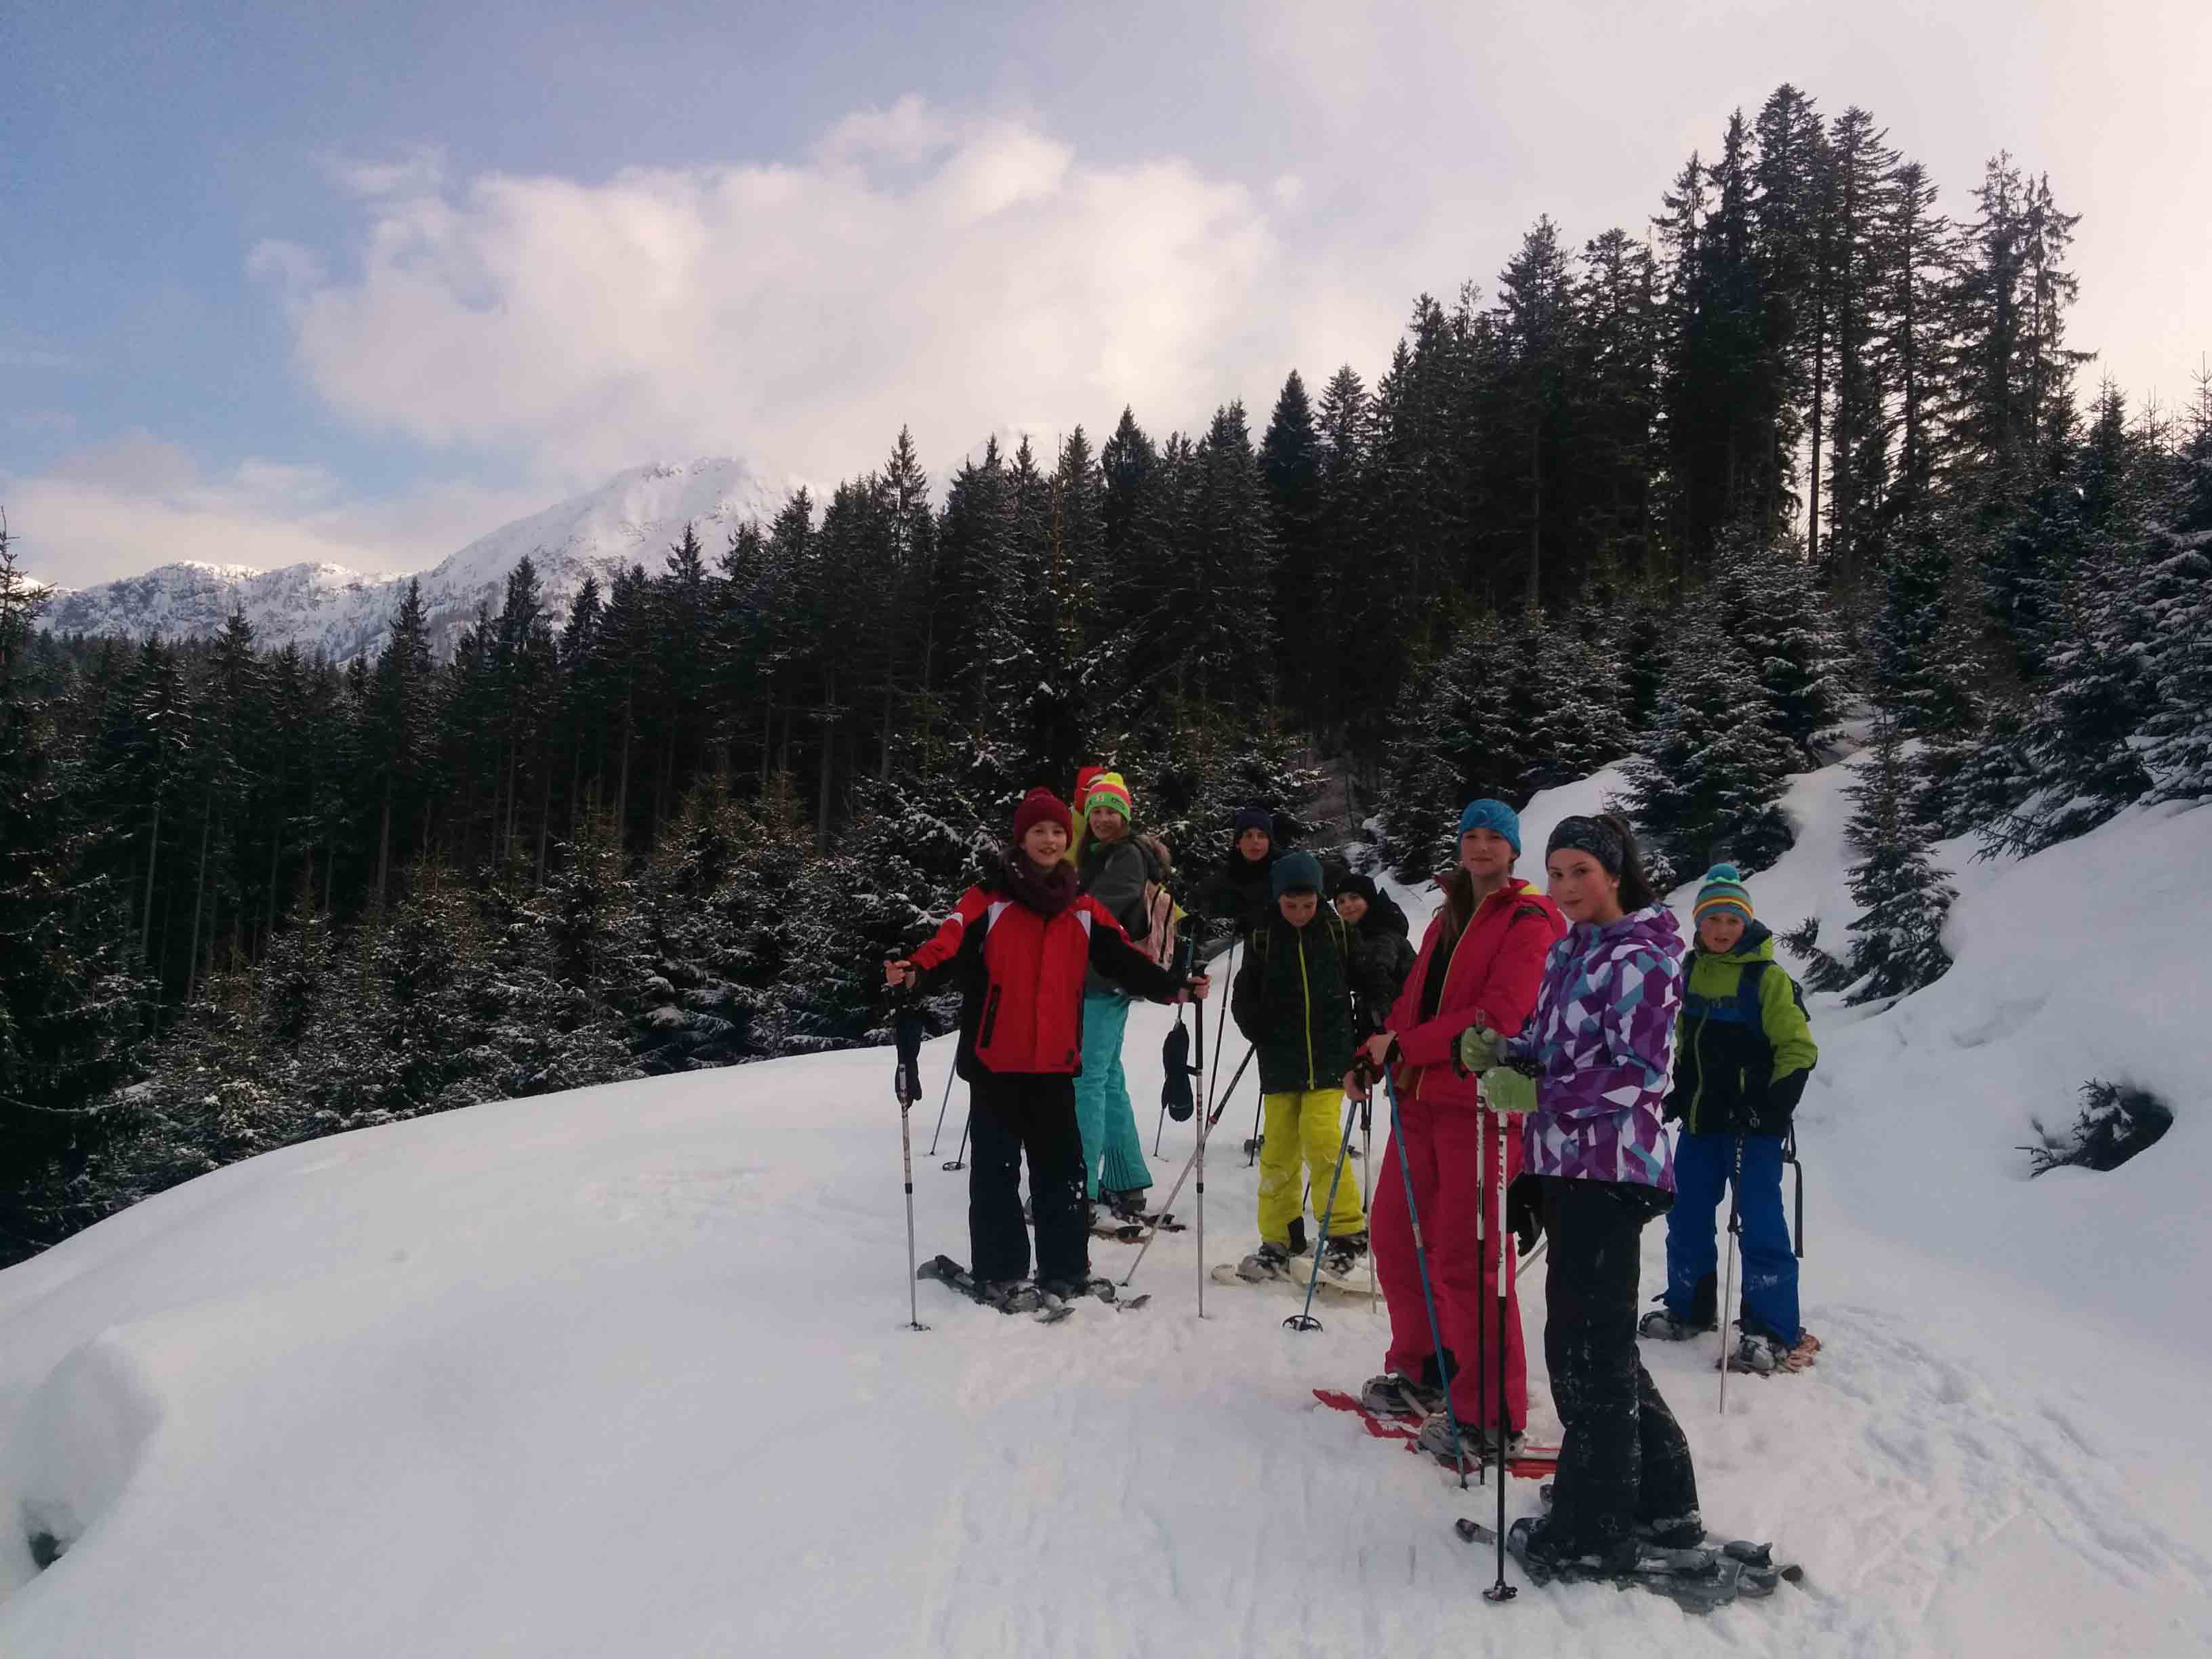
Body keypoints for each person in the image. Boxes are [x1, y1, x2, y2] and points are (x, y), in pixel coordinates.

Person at [1454, 812, 1699, 1572]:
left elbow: (1639, 1075)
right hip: (1565, 1165)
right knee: (1598, 1344)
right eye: (1557, 873)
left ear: (1616, 873)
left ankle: (1595, 1527)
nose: (1565, 888)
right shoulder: (1572, 951)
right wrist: (1506, 1051)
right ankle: (1659, 1497)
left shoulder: (1643, 959)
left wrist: (1536, 1091)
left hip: (1612, 1172)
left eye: (1581, 873)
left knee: (1585, 1350)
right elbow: (1555, 1047)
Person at [886, 787, 1209, 1307]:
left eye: (1059, 831)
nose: (1050, 839)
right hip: (995, 1062)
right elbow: (948, 943)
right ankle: (1000, 1271)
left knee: (1063, 1173)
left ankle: (1067, 1271)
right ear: (1022, 838)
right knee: (997, 1173)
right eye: (1039, 830)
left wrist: (1175, 987)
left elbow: (1125, 960)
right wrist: (915, 970)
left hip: (1056, 1064)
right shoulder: (988, 899)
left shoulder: (1081, 907)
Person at [1349, 801, 1565, 1462]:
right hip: (1421, 1100)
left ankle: (1490, 1413)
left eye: (1494, 837)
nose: (1480, 847)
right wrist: (1375, 1052)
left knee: (1470, 1259)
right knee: (1397, 1239)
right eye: (1471, 834)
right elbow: (1413, 1002)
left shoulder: (1532, 920)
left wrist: (1404, 1046)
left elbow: (1500, 1015)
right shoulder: (1448, 916)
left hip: (1483, 1105)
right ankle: (1427, 1367)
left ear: (1514, 849)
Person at [1641, 865, 1821, 1375]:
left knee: (1759, 1225)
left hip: (1752, 1129)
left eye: (1732, 920)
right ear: (1698, 923)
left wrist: (1770, 1108)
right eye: (1712, 919)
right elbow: (1687, 1042)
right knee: (1687, 1216)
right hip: (1701, 1124)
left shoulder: (1767, 977)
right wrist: (1682, 1091)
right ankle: (1690, 1308)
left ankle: (1772, 1330)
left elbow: (1798, 1049)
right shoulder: (1690, 970)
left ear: (1747, 924)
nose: (1722, 929)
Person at [1229, 849, 1380, 1280]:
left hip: (1331, 1059)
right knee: (1277, 1151)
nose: (1299, 913)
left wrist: (1368, 1036)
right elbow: (1244, 995)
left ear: (1320, 899)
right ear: (1277, 899)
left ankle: (1346, 1232)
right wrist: (1259, 1028)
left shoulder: (1336, 932)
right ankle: (1280, 1239)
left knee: (1322, 1139)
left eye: (1308, 904)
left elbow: (1370, 982)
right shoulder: (1263, 937)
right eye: (1290, 905)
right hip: (1280, 1063)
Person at [1071, 771, 1160, 1218]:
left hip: (1102, 980)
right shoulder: (1098, 854)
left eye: (1112, 812)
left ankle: (1080, 1189)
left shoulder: (1126, 856)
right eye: (1097, 811)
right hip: (1103, 979)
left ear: (1125, 817)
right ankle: (1126, 1182)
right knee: (1106, 1078)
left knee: (1086, 1080)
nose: (1103, 819)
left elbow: (1096, 910)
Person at [1331, 871, 1416, 1038]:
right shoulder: (1365, 933)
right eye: (1341, 901)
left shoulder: (1379, 938)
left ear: (1368, 899)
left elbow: (1379, 991)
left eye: (1354, 898)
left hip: (1392, 1033)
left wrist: (1381, 1035)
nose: (1347, 905)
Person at [1204, 806, 1282, 950]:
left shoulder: (1285, 867)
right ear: (1238, 843)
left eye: (1262, 835)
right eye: (1248, 835)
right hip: (1248, 951)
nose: (1255, 841)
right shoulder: (1225, 875)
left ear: (1269, 842)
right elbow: (1201, 905)